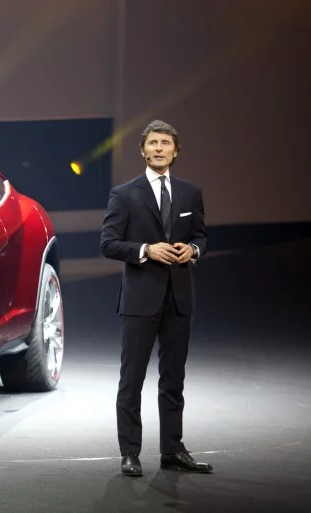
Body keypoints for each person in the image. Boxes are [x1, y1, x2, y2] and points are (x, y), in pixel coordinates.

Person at [99, 119, 213, 476]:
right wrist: (146, 250)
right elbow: (108, 244)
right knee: (132, 379)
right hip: (140, 299)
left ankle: (172, 450)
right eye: (153, 143)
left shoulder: (190, 193)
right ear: (143, 150)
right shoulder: (124, 194)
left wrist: (193, 250)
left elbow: (201, 236)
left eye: (165, 143)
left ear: (175, 151)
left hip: (179, 298)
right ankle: (130, 452)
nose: (159, 148)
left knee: (174, 379)